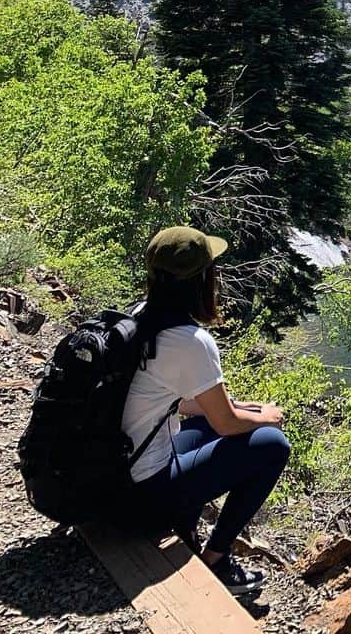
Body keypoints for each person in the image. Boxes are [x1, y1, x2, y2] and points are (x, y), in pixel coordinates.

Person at [121, 226, 290, 594]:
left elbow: (167, 399)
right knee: (273, 443)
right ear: (202, 278)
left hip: (117, 472)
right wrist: (266, 416)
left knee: (210, 422)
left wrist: (236, 406)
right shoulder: (191, 341)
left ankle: (185, 518)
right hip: (145, 492)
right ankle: (217, 556)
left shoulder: (137, 317)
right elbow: (228, 424)